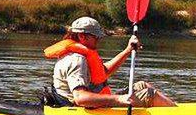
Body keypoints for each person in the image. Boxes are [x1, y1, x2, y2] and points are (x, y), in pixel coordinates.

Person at [42, 16, 176, 108]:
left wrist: (127, 51)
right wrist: (119, 99)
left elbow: (103, 72)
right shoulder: (76, 59)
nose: (98, 40)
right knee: (149, 95)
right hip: (79, 110)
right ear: (82, 36)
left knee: (142, 85)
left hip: (95, 103)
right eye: (95, 37)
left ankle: (174, 109)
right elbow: (80, 98)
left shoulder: (82, 54)